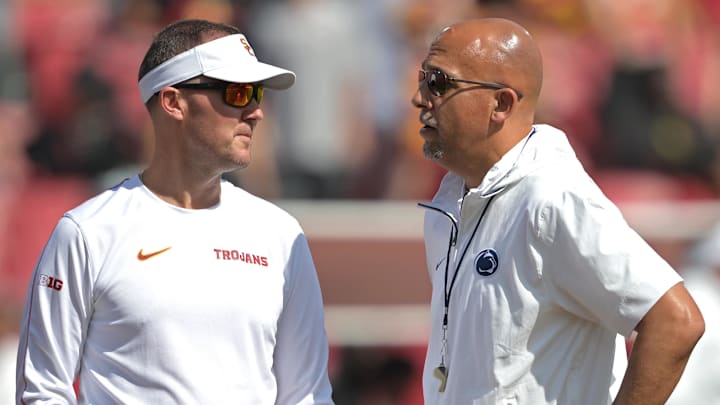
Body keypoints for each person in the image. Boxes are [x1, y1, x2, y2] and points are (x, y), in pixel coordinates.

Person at [15, 19, 334, 405]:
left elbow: (307, 396)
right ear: (172, 102)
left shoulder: (281, 235)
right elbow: (42, 392)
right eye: (237, 93)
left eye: (258, 94)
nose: (255, 112)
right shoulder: (87, 232)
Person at [411, 18, 704, 404]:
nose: (419, 98)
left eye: (439, 83)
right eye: (422, 79)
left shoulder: (551, 198)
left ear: (501, 104)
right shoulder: (450, 202)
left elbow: (675, 321)